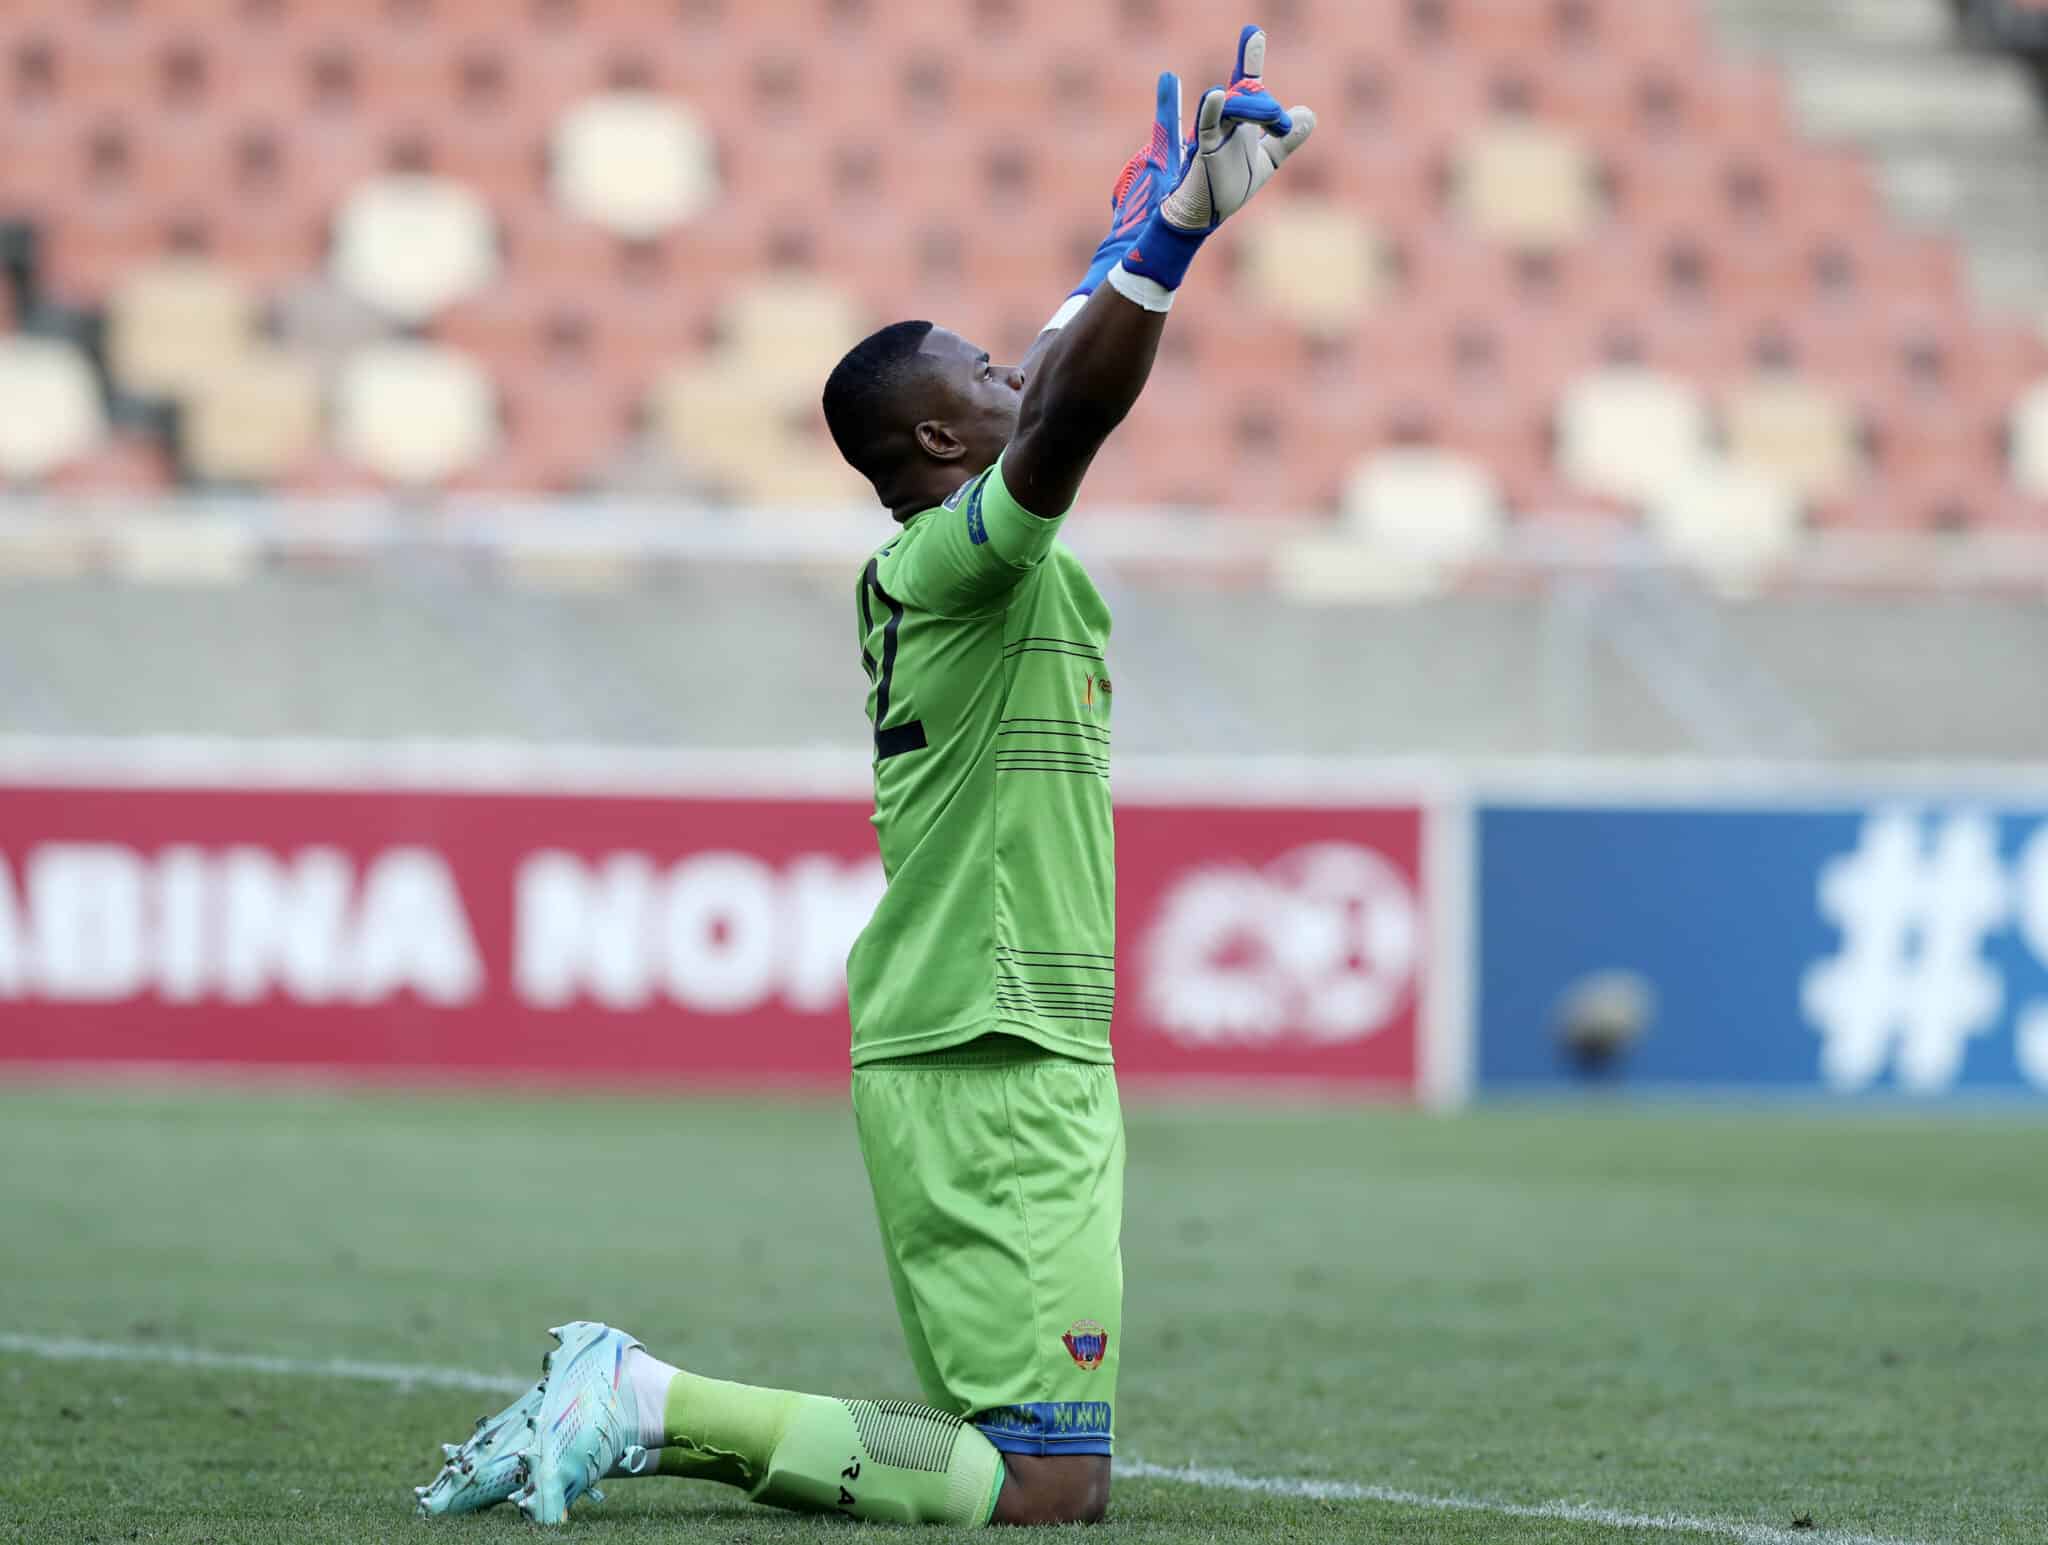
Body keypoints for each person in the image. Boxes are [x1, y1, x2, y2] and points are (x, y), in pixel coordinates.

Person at [413, 22, 1313, 1529]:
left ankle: (643, 1404)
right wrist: (1170, 242)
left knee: (1032, 1472)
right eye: (978, 368)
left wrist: (1135, 244)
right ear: (942, 439)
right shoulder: (966, 561)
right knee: (1042, 1485)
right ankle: (642, 1396)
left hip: (1000, 1040)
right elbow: (1070, 410)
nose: (1010, 359)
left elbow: (1037, 378)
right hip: (990, 1049)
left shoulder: (936, 543)